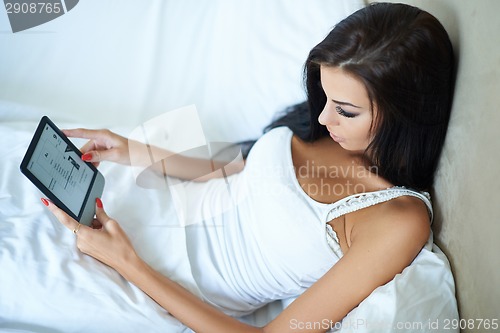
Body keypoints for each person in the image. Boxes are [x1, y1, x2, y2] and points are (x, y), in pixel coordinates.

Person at [42, 2, 455, 332]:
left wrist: (126, 262)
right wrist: (133, 150)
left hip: (163, 283)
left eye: (345, 111)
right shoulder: (329, 129)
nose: (324, 119)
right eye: (324, 96)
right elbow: (235, 171)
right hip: (151, 206)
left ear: (406, 113)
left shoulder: (396, 220)